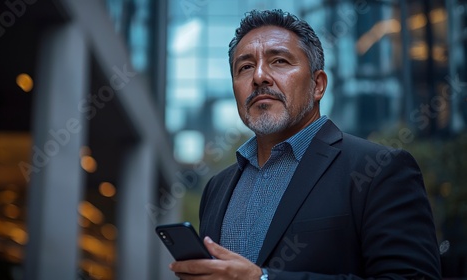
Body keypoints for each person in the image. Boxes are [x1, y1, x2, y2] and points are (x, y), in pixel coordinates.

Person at [169, 9, 441, 279]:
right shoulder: (217, 187)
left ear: (318, 85)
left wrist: (263, 278)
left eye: (279, 61)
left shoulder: (380, 169)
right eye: (245, 67)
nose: (259, 76)